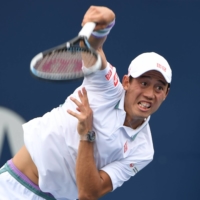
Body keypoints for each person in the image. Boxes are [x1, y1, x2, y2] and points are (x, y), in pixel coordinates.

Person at [0, 5, 172, 200]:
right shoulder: (107, 87)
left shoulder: (143, 150)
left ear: (166, 93)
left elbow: (88, 194)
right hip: (12, 187)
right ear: (126, 82)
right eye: (143, 83)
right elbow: (93, 48)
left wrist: (87, 135)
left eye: (159, 87)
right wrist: (105, 23)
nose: (150, 93)